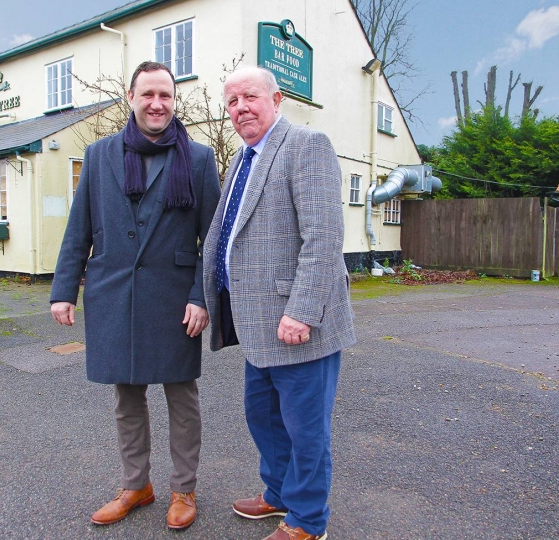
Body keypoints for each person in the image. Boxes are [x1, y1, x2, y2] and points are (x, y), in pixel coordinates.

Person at [50, 61, 220, 531]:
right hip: (114, 294)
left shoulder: (200, 159)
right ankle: (136, 485)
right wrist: (64, 290)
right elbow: (78, 227)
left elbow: (215, 238)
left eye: (165, 95)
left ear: (174, 100)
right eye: (148, 94)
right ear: (131, 97)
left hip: (174, 298)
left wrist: (202, 296)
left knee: (181, 396)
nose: (157, 103)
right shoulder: (100, 154)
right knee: (127, 396)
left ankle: (183, 488)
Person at [202, 66, 356, 540]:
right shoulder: (245, 158)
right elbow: (227, 235)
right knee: (264, 417)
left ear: (276, 98)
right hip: (256, 321)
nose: (240, 107)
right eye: (231, 101)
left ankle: (309, 521)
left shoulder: (307, 146)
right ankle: (278, 494)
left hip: (296, 322)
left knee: (305, 429)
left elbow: (324, 238)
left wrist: (303, 310)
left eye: (250, 96)